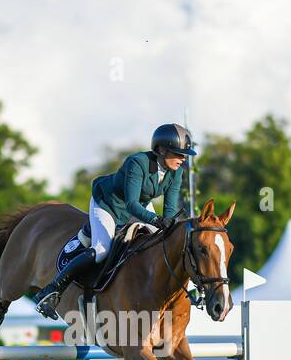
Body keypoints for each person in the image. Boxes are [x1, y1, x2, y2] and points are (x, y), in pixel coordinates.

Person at [34, 123, 195, 318]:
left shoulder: (176, 171)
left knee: (162, 244)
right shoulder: (138, 163)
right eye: (178, 154)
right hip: (108, 203)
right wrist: (156, 220)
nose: (183, 158)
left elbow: (170, 208)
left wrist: (168, 226)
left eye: (184, 155)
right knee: (102, 250)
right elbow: (131, 204)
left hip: (140, 205)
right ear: (161, 150)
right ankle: (52, 290)